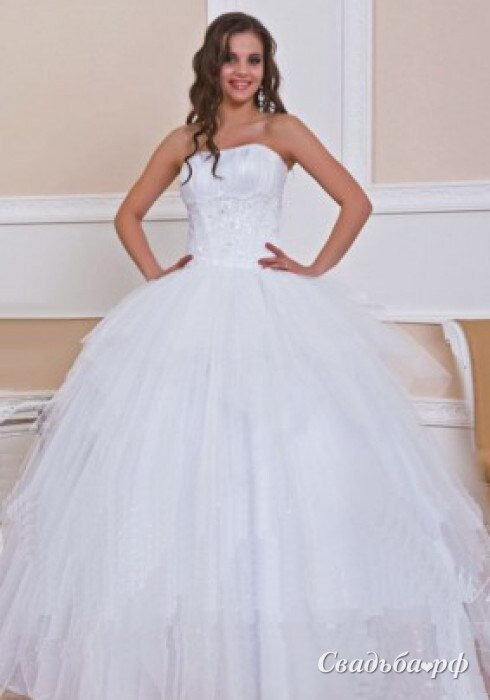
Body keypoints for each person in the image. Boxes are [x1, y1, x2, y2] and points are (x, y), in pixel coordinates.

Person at [0, 10, 489, 700]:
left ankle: (282, 638)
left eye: (254, 60)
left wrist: (314, 268)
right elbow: (127, 215)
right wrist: (157, 275)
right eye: (231, 58)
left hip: (268, 306)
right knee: (181, 463)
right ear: (212, 63)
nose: (242, 71)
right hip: (192, 307)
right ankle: (203, 640)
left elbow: (355, 201)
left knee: (283, 461)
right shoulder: (186, 139)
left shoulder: (282, 131)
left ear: (266, 68)